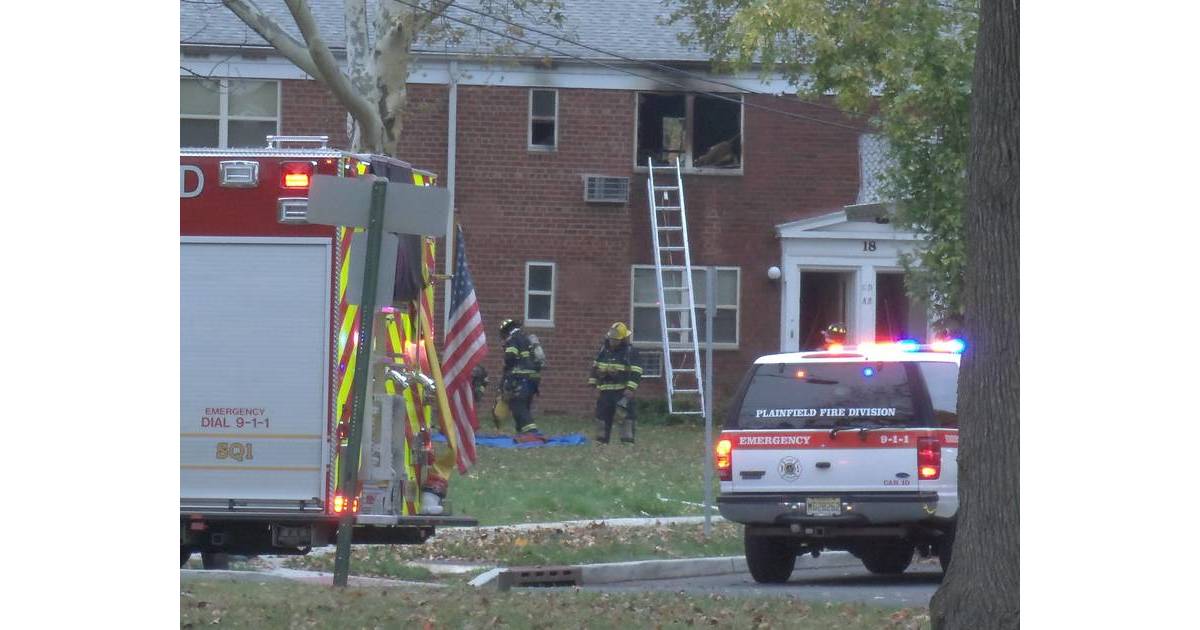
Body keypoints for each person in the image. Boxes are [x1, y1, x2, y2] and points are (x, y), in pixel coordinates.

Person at [589, 322, 642, 444]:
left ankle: (627, 443)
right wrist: (594, 382)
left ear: (623, 339)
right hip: (605, 391)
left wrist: (630, 388)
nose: (612, 342)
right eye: (611, 339)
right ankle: (601, 442)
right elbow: (595, 367)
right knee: (602, 418)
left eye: (615, 340)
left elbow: (637, 371)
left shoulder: (630, 352)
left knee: (626, 419)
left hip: (622, 392)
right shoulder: (604, 350)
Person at [498, 318, 543, 439]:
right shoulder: (526, 338)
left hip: (521, 376)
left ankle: (532, 433)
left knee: (517, 404)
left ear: (506, 331)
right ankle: (522, 433)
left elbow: (510, 358)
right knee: (524, 403)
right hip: (533, 378)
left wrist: (506, 372)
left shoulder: (513, 339)